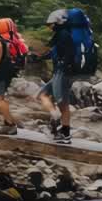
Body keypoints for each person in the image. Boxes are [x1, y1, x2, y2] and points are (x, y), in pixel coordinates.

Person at [38, 9, 74, 144]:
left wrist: (63, 67)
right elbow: (55, 52)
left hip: (63, 72)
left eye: (50, 24)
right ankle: (61, 127)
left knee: (62, 103)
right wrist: (40, 58)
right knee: (43, 95)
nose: (49, 27)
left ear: (58, 22)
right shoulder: (60, 34)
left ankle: (64, 132)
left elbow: (69, 53)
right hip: (61, 72)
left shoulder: (63, 34)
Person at [0, 18, 25, 135]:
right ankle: (9, 122)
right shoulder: (13, 38)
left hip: (1, 72)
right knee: (0, 97)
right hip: (10, 70)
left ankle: (10, 125)